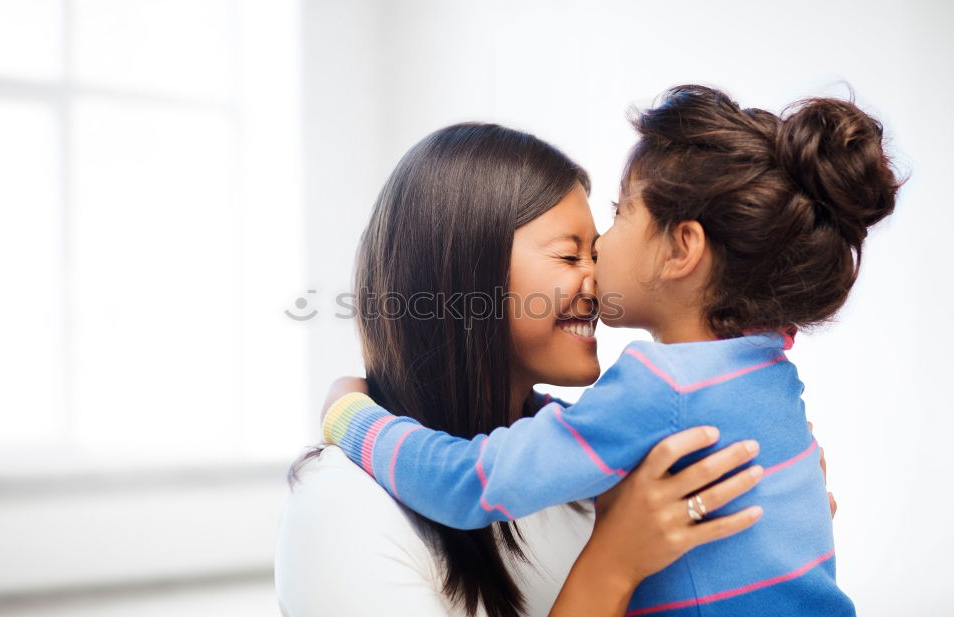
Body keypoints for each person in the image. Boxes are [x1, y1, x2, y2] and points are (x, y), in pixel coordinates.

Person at [321, 85, 898, 615]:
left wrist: (351, 417)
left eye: (619, 216)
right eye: (571, 255)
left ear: (682, 250)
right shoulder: (767, 368)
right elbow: (605, 439)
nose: (596, 265)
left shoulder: (658, 385)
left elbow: (469, 483)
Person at [277, 121, 781, 617]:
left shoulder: (592, 475)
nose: (599, 283)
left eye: (597, 254)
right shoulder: (341, 506)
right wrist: (614, 563)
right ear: (467, 279)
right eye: (570, 256)